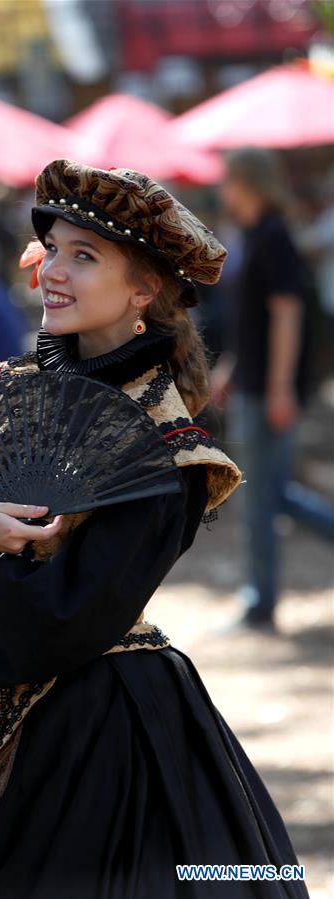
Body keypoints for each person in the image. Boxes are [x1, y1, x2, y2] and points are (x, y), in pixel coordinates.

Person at [0, 160, 309, 898]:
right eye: (52, 250)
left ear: (143, 290)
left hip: (98, 738)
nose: (53, 272)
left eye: (84, 256)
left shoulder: (168, 449)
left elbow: (53, 622)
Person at [214, 148, 311, 631]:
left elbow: (287, 316)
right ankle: (259, 599)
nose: (223, 189)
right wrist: (231, 368)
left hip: (266, 390)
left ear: (248, 182)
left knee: (262, 499)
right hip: (252, 383)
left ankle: (259, 603)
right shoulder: (252, 235)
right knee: (270, 495)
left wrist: (279, 388)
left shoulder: (273, 237)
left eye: (228, 180)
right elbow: (252, 321)